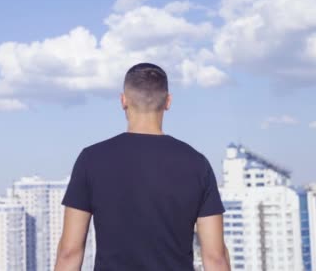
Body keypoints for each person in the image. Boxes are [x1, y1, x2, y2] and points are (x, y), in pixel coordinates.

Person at [54, 62, 230, 271]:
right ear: (168, 101)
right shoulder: (197, 164)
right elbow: (215, 257)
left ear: (123, 100)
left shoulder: (91, 159)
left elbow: (69, 253)